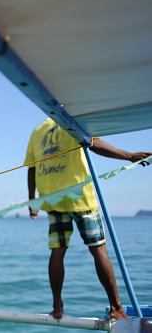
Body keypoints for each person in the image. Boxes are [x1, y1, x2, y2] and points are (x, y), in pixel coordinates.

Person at [24, 118, 151, 320]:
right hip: (80, 196)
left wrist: (33, 202)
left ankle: (57, 308)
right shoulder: (71, 119)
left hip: (53, 199)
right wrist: (130, 156)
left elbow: (31, 169)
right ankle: (116, 308)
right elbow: (94, 144)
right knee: (98, 249)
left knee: (57, 252)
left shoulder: (37, 131)